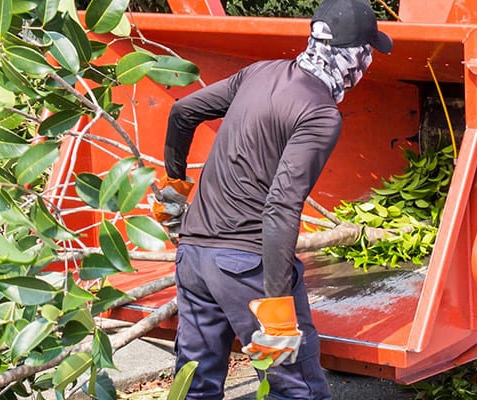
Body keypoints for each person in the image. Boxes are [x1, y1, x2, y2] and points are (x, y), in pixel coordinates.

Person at [148, 0, 392, 398]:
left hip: (193, 258)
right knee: (297, 390)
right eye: (367, 53)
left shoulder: (260, 72)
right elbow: (280, 206)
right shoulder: (320, 113)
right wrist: (277, 307)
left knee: (195, 385)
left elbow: (182, 112)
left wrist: (174, 184)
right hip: (246, 268)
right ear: (353, 56)